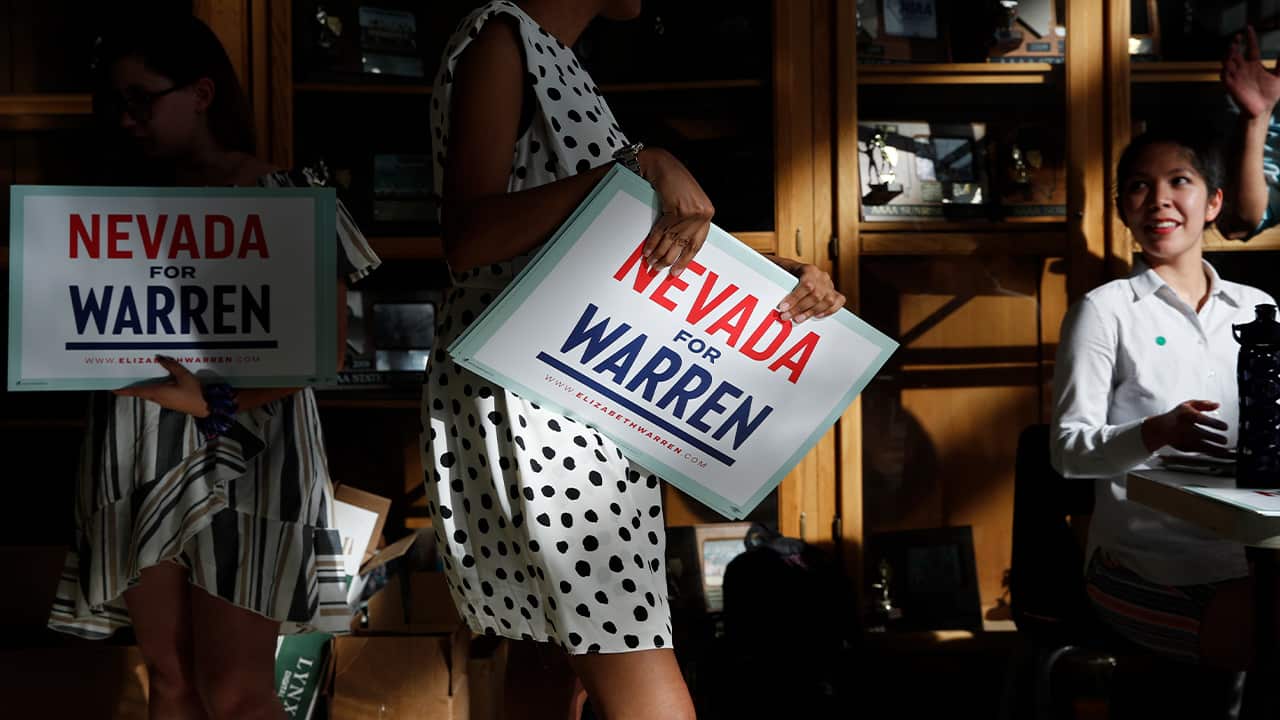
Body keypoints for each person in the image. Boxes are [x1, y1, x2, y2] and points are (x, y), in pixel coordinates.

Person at [420, 1, 846, 718]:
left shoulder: (550, 55)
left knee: (553, 658)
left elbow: (627, 253)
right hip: (541, 403)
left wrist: (783, 276)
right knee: (632, 666)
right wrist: (637, 163)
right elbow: (469, 238)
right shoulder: (504, 37)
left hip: (564, 387)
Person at [48, 12, 379, 720]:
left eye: (142, 98)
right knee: (168, 679)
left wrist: (217, 405)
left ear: (201, 93)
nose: (126, 118)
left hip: (249, 446)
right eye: (116, 102)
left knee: (235, 691)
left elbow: (327, 349)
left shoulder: (289, 197)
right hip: (136, 446)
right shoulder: (109, 207)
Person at [1051, 123, 1280, 670]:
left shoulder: (1258, 308)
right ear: (1121, 208)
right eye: (1138, 187)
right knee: (1268, 630)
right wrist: (1154, 432)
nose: (1159, 200)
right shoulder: (1104, 311)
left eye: (1179, 181)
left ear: (1213, 203)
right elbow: (1066, 451)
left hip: (1254, 554)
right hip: (1142, 565)